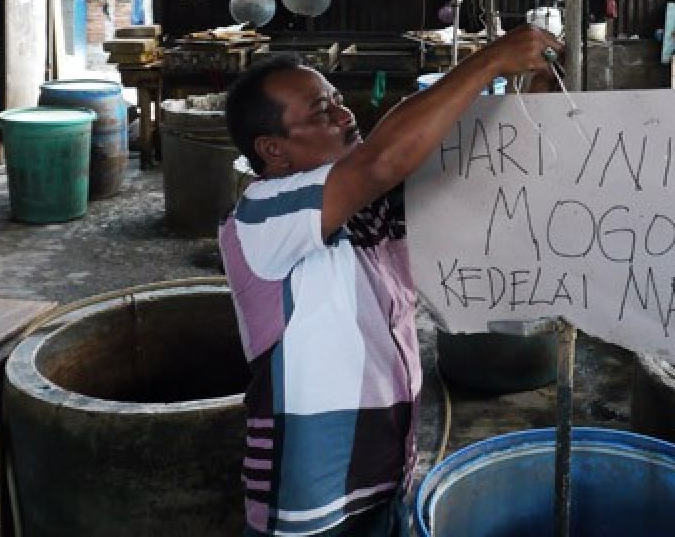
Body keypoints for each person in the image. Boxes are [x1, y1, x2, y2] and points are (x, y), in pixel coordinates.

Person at [219, 26, 562, 537]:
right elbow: (382, 159)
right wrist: (491, 60)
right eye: (321, 112)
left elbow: (413, 149)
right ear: (273, 150)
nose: (344, 114)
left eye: (337, 99)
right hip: (309, 496)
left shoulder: (370, 209)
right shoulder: (261, 215)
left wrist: (531, 101)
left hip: (387, 473)